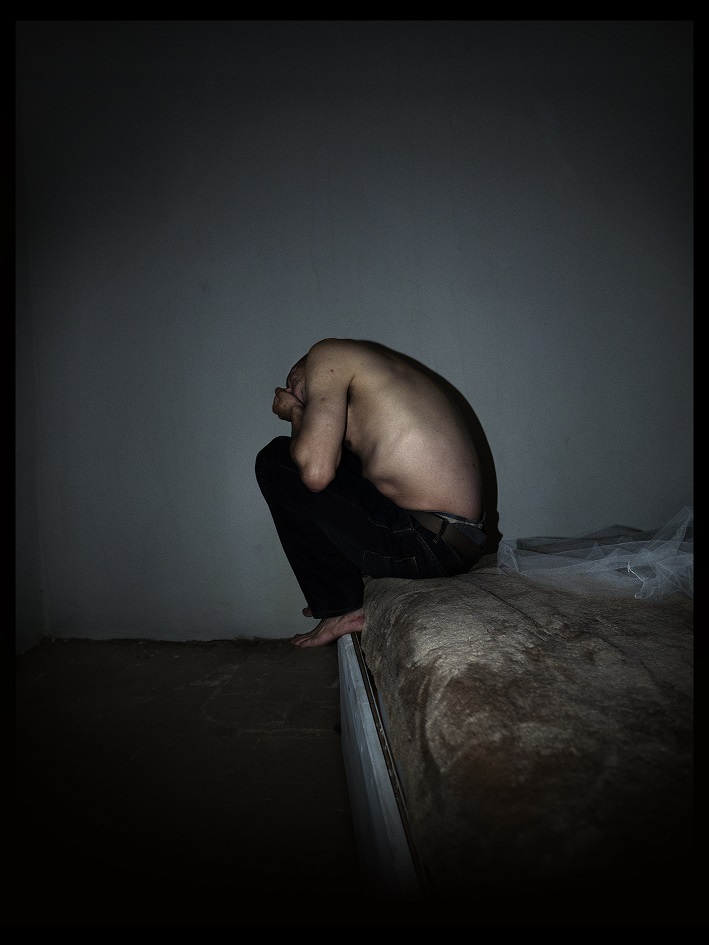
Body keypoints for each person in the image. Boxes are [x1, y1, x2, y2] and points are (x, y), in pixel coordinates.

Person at [255, 338, 488, 648]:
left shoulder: (326, 353)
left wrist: (297, 411)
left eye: (291, 382)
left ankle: (341, 607)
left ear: (306, 369)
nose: (287, 391)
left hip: (428, 543)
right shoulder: (376, 387)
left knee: (275, 460)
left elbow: (314, 474)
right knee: (327, 465)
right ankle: (333, 590)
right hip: (450, 541)